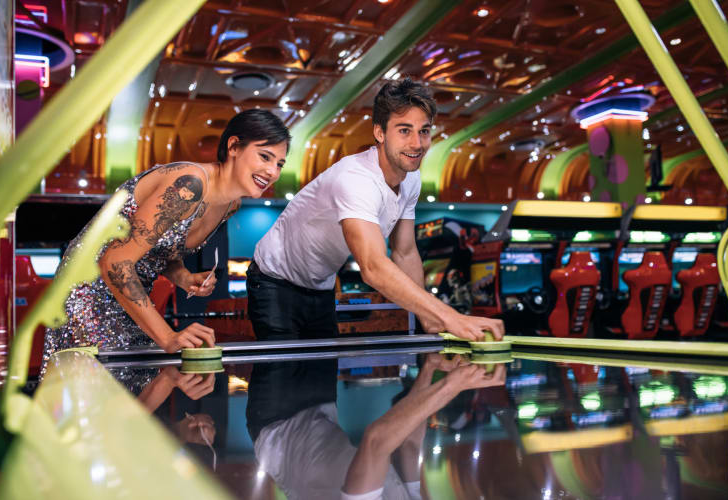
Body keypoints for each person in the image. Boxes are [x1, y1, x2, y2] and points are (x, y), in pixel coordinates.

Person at [248, 78, 504, 342]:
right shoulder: (356, 178)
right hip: (274, 280)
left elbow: (404, 251)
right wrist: (450, 316)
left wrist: (430, 319)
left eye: (424, 131)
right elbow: (372, 266)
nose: (417, 144)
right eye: (404, 130)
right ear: (380, 133)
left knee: (321, 378)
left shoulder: (411, 177)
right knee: (280, 379)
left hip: (321, 287)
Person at [42, 109, 290, 377]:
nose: (272, 171)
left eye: (279, 164)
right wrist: (168, 336)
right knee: (94, 397)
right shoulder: (190, 183)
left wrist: (183, 277)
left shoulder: (231, 205)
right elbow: (115, 261)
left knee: (128, 397)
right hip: (88, 292)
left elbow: (162, 249)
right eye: (265, 157)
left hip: (131, 296)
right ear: (233, 146)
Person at [249, 353, 506, 499]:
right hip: (319, 410)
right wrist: (429, 371)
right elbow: (409, 443)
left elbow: (375, 442)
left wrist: (453, 386)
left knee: (288, 290)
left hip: (277, 424)